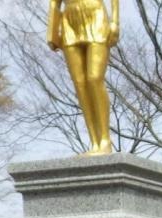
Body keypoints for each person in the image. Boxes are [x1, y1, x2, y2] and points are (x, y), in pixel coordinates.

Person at [47, 0, 120, 155]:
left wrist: (115, 21)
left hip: (95, 14)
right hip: (69, 19)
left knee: (94, 78)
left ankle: (105, 140)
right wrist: (52, 32)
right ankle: (94, 142)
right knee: (80, 83)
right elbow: (54, 3)